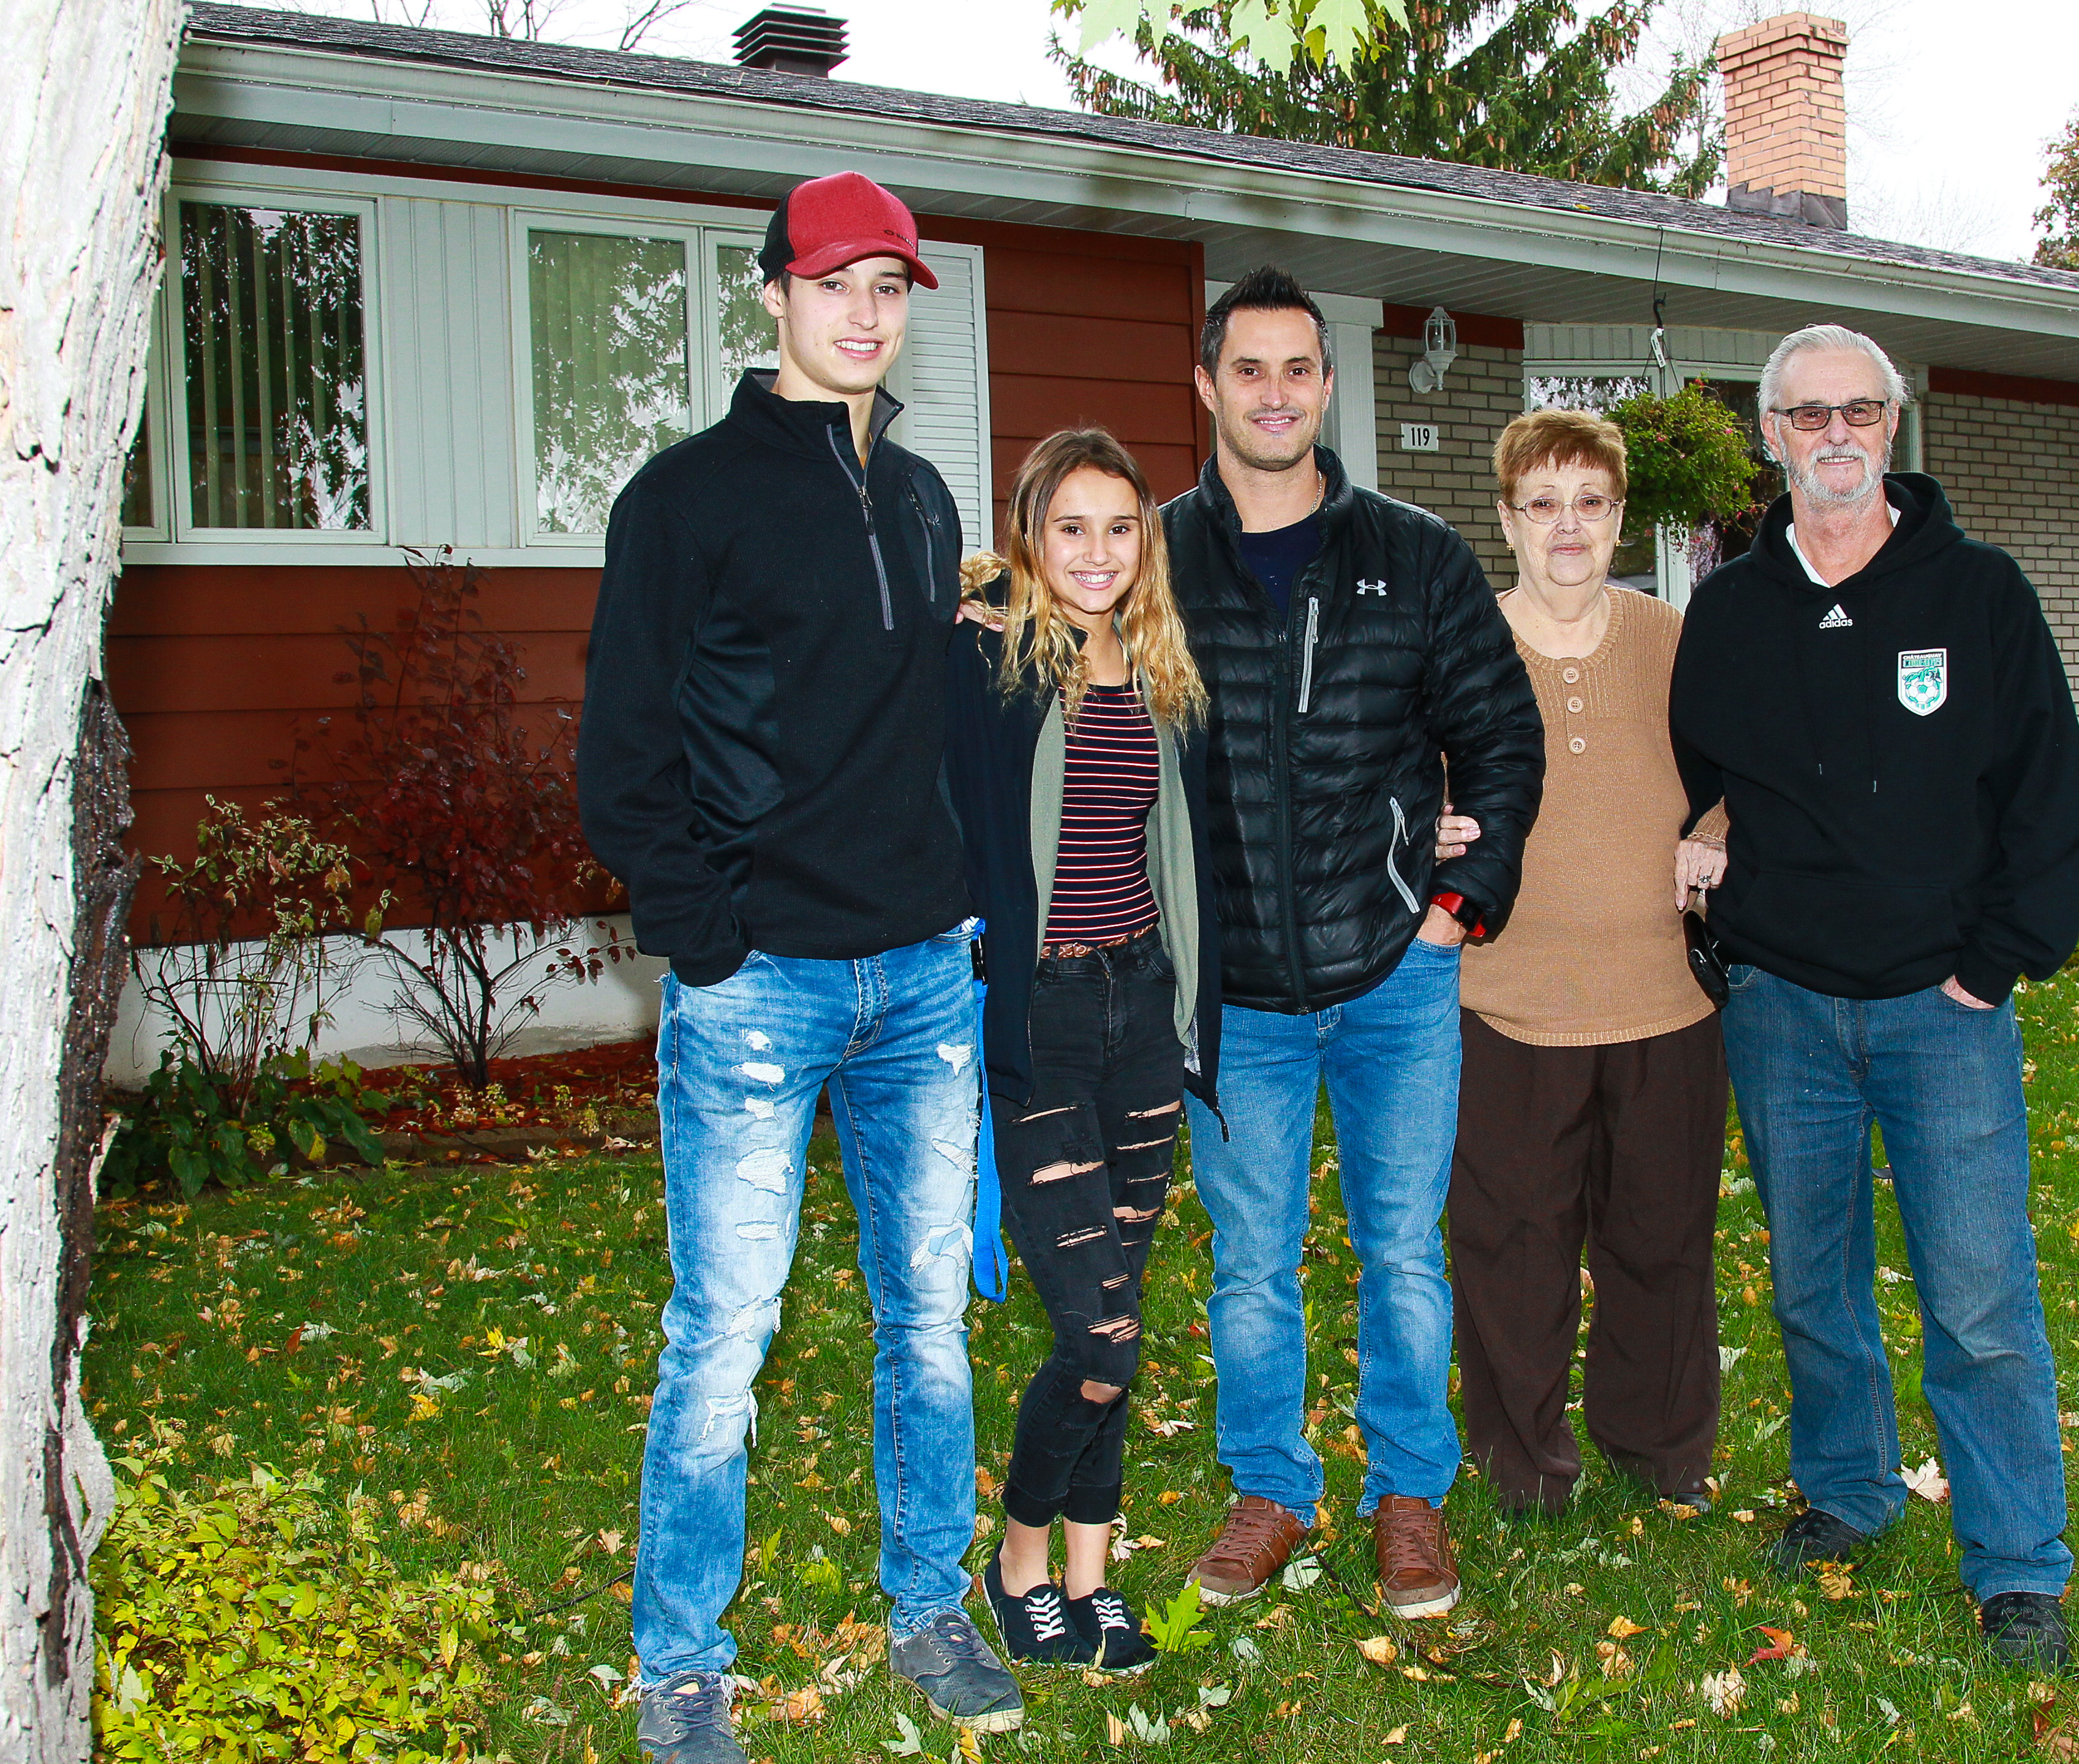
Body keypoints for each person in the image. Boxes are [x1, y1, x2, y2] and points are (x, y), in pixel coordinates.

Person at [578, 171, 1023, 1760]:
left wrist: (968, 899)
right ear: (774, 294)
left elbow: (929, 723)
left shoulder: (922, 498)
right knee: (725, 1333)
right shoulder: (684, 500)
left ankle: (930, 1604)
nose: (864, 312)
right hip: (759, 982)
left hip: (921, 979)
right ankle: (681, 1661)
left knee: (929, 1318)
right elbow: (621, 754)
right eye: (834, 283)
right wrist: (708, 935)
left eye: (889, 287)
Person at [1669, 323, 2079, 1672]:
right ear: (1771, 435)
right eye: (1808, 415)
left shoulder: (1980, 592)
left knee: (1978, 1300)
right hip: (1783, 1005)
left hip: (1942, 1010)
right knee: (1814, 1283)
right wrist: (1714, 850)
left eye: (1859, 410)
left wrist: (1995, 963)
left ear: (1893, 426)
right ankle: (1850, 1494)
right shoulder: (1730, 609)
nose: (1836, 435)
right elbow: (1700, 773)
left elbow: (2050, 793)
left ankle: (2018, 1564)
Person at [1164, 266, 1545, 1620]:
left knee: (1404, 1252)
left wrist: (1457, 908)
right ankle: (1270, 1488)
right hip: (1236, 998)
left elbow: (1502, 738)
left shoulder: (1415, 555)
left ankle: (1409, 1496)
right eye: (1248, 370)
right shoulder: (1154, 560)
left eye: (1298, 370)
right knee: (1250, 1264)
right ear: (1208, 386)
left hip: (1395, 977)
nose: (1274, 395)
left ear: (1328, 386)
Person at [940, 427, 1220, 1678]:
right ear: (1030, 538)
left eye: (1121, 528)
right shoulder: (992, 658)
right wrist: (973, 599)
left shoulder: (1160, 667)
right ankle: (1017, 1561)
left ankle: (1092, 1576)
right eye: (1071, 528)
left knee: (1126, 1313)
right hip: (1041, 1022)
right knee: (1097, 1336)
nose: (1098, 553)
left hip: (1141, 1012)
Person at [1443, 409, 1734, 1520]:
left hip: (1664, 1002)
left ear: (1620, 520)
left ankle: (1659, 1450)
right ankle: (1521, 1463)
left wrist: (1719, 832)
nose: (1568, 526)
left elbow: (1740, 769)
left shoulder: (1671, 638)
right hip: (1505, 1001)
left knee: (1663, 1243)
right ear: (1509, 518)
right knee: (1511, 1248)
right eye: (1543, 503)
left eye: (1590, 503)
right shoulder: (1460, 640)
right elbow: (1402, 780)